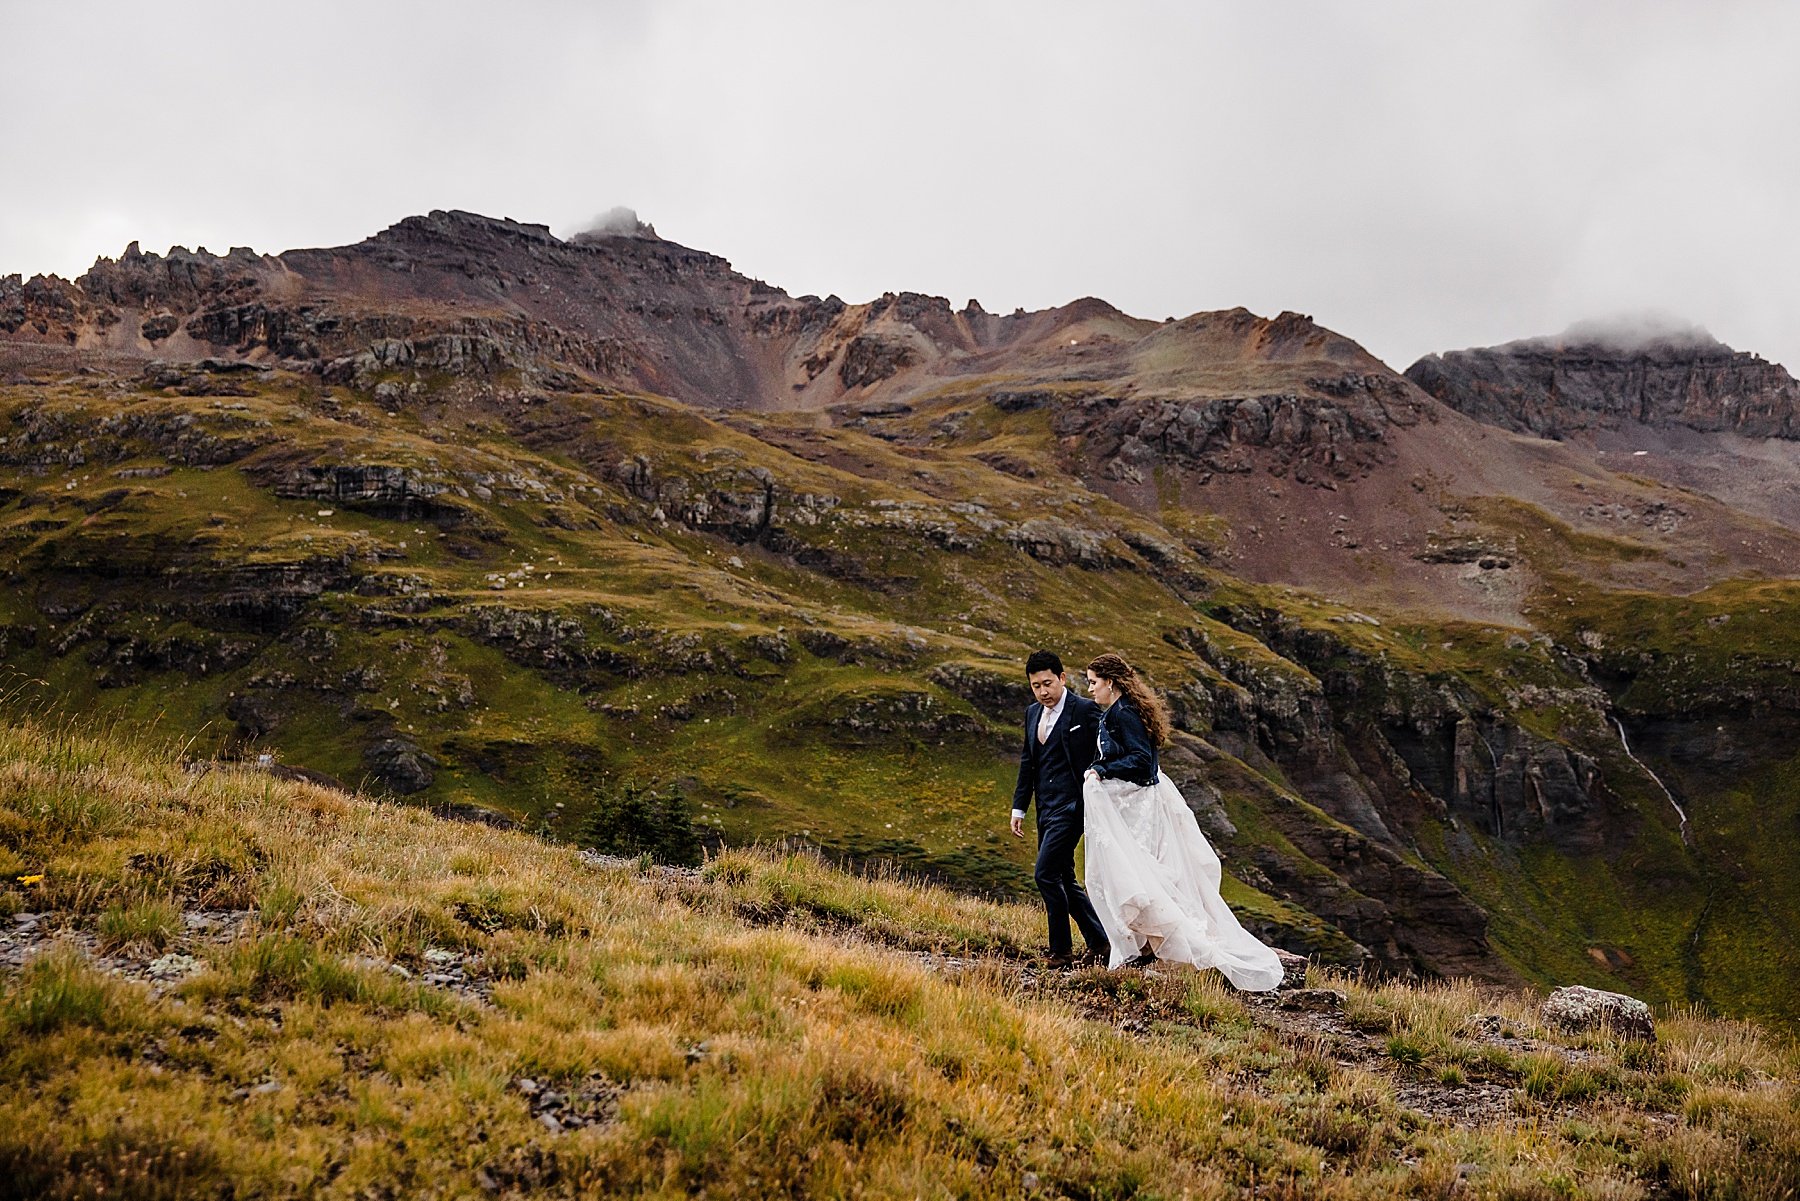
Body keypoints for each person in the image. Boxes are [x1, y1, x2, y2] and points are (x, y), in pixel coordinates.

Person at [1080, 651, 1285, 991]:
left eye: (1093, 683)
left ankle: (1156, 945)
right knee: (1136, 873)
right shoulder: (1116, 712)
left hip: (1139, 810)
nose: (1090, 690)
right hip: (1131, 807)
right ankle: (1146, 945)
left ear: (1110, 683)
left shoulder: (1124, 713)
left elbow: (1142, 763)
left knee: (1142, 872)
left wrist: (1103, 769)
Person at [1010, 650, 1111, 968]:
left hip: (1074, 807)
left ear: (1063, 678)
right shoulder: (1031, 714)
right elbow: (1029, 762)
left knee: (1045, 874)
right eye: (1036, 686)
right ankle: (1100, 943)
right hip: (1046, 808)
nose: (1043, 691)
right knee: (1064, 876)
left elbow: (1105, 750)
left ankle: (1061, 951)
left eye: (1048, 683)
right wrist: (1019, 808)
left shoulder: (1085, 710)